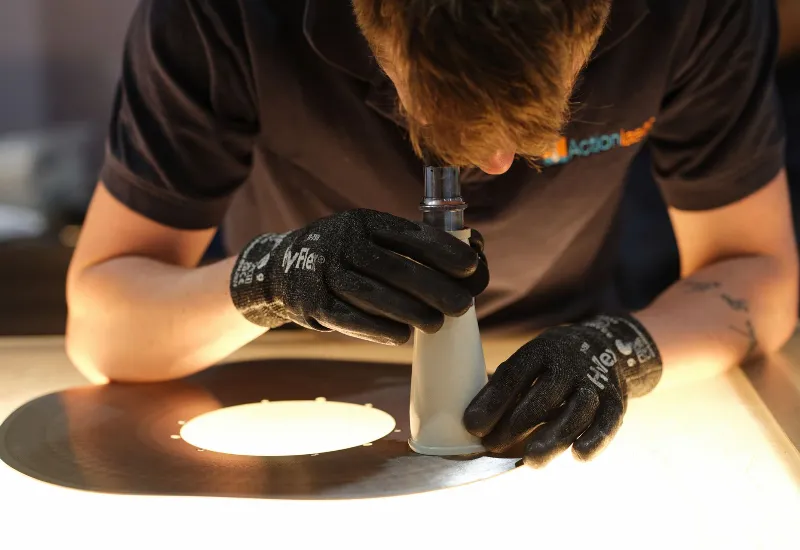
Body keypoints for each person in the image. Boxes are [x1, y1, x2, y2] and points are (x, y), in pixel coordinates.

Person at [65, 0, 798, 468]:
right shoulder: (227, 15)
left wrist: (619, 351)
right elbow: (100, 331)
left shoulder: (698, 12)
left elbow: (756, 270)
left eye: (530, 125)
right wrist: (273, 279)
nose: (495, 165)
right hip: (273, 371)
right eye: (437, 115)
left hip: (557, 357)